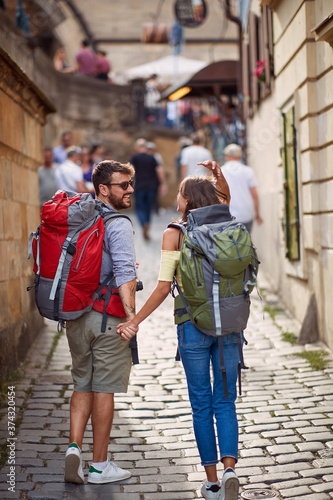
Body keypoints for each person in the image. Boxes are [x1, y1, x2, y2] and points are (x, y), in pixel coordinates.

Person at [117, 161, 241, 500]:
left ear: (188, 199)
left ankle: (213, 481)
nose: (175, 197)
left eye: (180, 193)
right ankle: (231, 470)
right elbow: (225, 197)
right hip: (229, 323)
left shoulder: (175, 233)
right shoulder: (225, 222)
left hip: (191, 325)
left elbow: (161, 288)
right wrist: (218, 174)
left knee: (201, 403)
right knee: (225, 400)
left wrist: (134, 321)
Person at [64, 160, 138, 485]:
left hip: (75, 316)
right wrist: (133, 317)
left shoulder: (78, 216)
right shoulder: (118, 224)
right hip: (107, 317)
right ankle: (98, 467)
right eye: (124, 185)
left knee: (82, 382)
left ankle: (73, 449)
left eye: (131, 183)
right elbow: (125, 273)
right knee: (103, 387)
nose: (131, 189)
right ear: (104, 189)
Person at [130, 138, 167, 240]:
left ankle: (143, 224)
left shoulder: (134, 157)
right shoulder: (152, 158)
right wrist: (163, 184)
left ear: (137, 147)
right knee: (148, 208)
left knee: (138, 208)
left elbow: (130, 171)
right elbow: (159, 170)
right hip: (151, 186)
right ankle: (147, 224)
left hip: (139, 186)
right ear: (145, 147)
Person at [221, 143, 263, 233]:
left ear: (227, 156)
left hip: (228, 215)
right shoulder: (248, 171)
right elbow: (254, 195)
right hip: (246, 214)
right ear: (240, 156)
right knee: (246, 242)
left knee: (230, 244)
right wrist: (258, 214)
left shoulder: (221, 172)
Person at [146, 141, 168, 213]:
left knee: (155, 194)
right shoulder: (146, 157)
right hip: (148, 178)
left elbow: (160, 168)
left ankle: (155, 207)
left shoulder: (156, 156)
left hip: (154, 178)